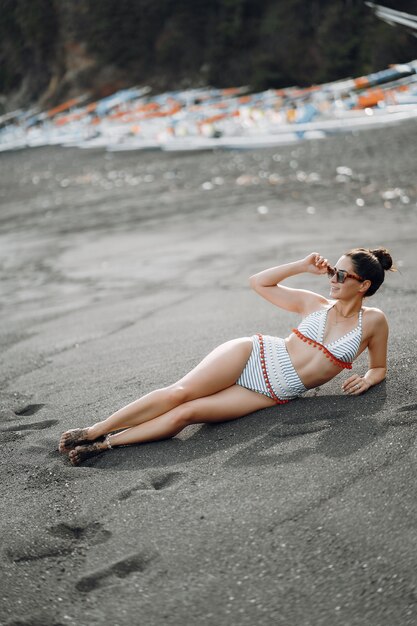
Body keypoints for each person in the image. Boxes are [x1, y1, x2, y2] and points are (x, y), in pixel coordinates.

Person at [59, 247, 394, 466]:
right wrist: (301, 266)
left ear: (363, 285)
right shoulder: (315, 304)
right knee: (180, 393)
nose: (331, 279)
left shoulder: (374, 322)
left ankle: (106, 445)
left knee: (185, 415)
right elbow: (259, 283)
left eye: (340, 275)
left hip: (268, 393)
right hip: (252, 354)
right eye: (331, 271)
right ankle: (93, 430)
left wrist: (368, 378)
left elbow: (378, 366)